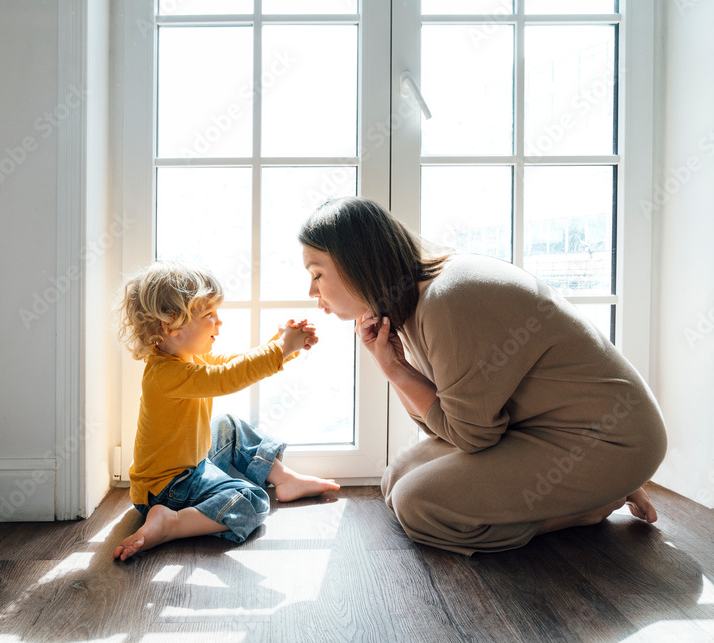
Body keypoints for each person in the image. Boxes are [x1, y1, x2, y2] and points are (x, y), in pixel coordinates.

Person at [298, 197, 667, 555]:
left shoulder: (447, 299)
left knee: (418, 504)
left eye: (317, 274)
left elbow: (470, 436)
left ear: (356, 262)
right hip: (534, 430)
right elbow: (440, 424)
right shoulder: (411, 305)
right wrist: (393, 366)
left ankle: (591, 505)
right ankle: (593, 490)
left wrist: (396, 369)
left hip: (610, 439)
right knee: (396, 477)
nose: (312, 291)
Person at [113, 260, 340, 561]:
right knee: (252, 501)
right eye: (209, 315)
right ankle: (172, 522)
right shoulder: (165, 374)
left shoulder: (187, 358)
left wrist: (282, 344)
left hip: (188, 468)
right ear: (170, 325)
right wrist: (282, 348)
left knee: (227, 424)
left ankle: (284, 479)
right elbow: (229, 377)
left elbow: (235, 363)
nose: (218, 322)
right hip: (168, 490)